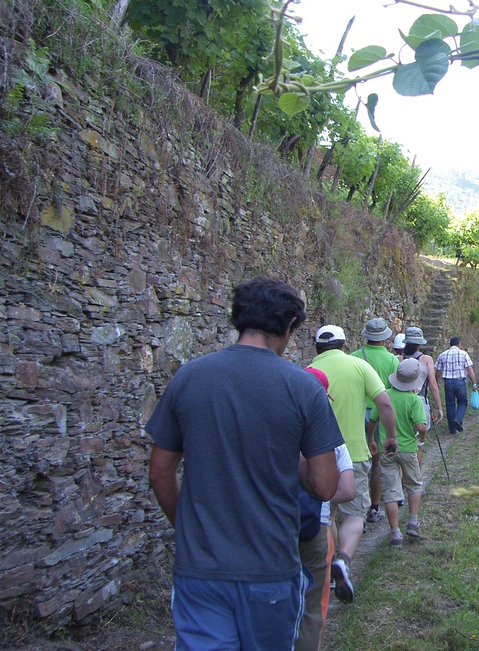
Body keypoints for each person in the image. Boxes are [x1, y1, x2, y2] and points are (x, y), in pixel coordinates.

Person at [146, 276, 344, 650]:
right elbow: (325, 485)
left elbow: (159, 471)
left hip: (200, 571)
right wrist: (289, 460)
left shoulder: (188, 377)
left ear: (239, 320)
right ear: (288, 327)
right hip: (270, 570)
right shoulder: (303, 387)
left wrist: (188, 530)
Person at [310, 324, 397, 604]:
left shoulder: (307, 371)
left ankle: (331, 561)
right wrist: (390, 436)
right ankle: (344, 560)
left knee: (328, 514)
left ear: (317, 348)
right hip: (354, 454)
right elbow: (383, 403)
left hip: (317, 457)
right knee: (355, 514)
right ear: (344, 344)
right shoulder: (358, 367)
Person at [296, 367, 356, 651]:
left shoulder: (270, 426)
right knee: (310, 608)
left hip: (267, 528)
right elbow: (346, 491)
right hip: (313, 527)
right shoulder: (331, 439)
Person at [372, 359, 428, 544]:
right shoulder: (413, 400)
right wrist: (422, 437)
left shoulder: (384, 396)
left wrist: (371, 439)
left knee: (391, 491)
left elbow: (372, 420)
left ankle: (395, 533)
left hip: (387, 450)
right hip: (409, 450)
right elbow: (420, 425)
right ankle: (413, 522)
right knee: (413, 484)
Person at [351, 317, 399, 526]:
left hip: (357, 412)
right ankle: (374, 507)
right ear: (385, 338)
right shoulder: (391, 360)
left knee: (356, 461)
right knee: (377, 461)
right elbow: (395, 391)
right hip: (379, 415)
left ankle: (354, 510)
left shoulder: (353, 357)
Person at [434, 336, 477, 434]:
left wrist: (436, 382)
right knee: (462, 402)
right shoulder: (463, 354)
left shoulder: (443, 355)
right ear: (459, 344)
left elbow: (438, 371)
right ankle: (458, 419)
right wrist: (474, 383)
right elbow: (469, 369)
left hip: (447, 382)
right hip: (459, 381)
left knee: (450, 404)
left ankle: (452, 429)